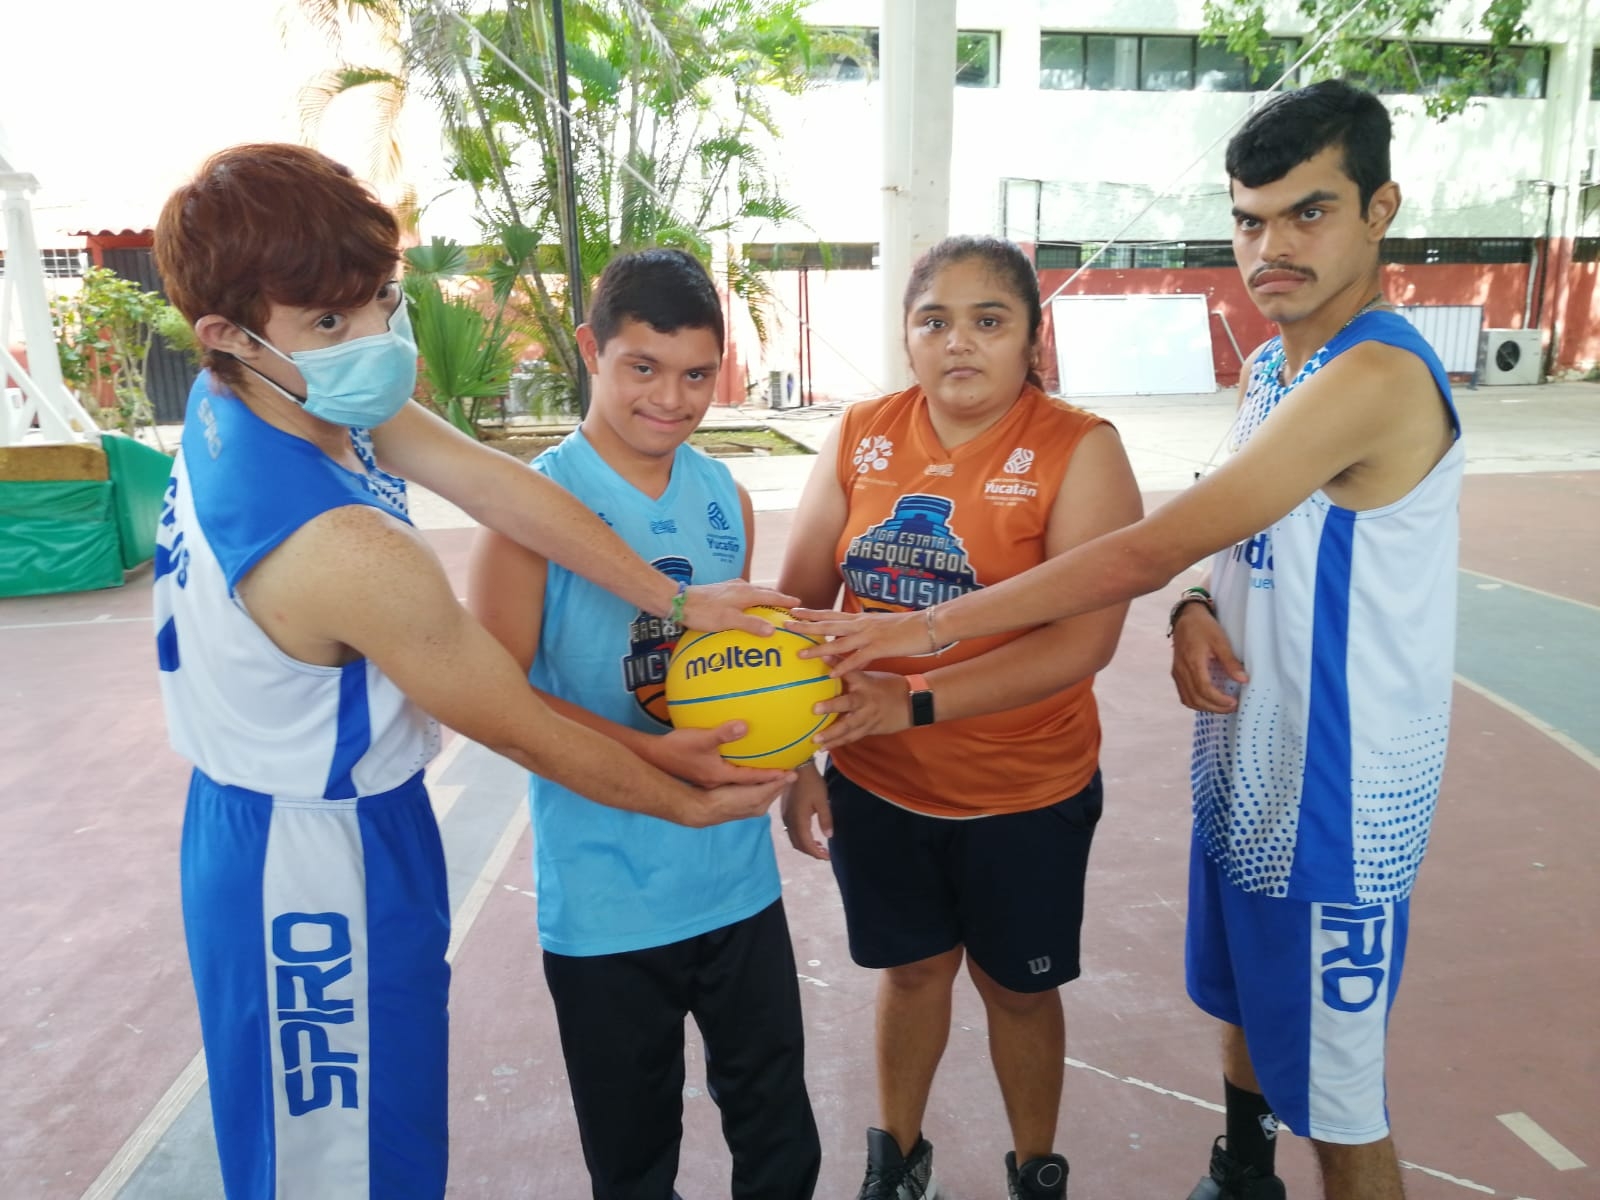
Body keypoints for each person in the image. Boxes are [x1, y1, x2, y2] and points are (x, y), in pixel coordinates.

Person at [789, 82, 1460, 1200]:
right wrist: (1201, 604)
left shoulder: (1374, 375)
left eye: (1309, 213)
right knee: (1244, 1011)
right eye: (1250, 219)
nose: (1271, 246)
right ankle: (1242, 1174)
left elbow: (1129, 560)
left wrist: (925, 633)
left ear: (1380, 208)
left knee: (1342, 1109)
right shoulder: (1271, 370)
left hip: (1340, 797)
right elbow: (1240, 533)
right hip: (1248, 769)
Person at [150, 144, 794, 1200]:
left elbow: (493, 484)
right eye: (328, 322)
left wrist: (677, 601)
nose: (372, 341)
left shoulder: (278, 396)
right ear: (226, 336)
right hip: (304, 860)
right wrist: (681, 803)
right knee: (337, 1168)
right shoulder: (340, 547)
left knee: (388, 1144)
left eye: (380, 301)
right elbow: (512, 721)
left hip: (334, 813)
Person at [776, 235, 1144, 1200]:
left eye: (990, 320)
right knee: (910, 976)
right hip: (880, 784)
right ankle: (895, 1162)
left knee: (1020, 991)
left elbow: (1081, 645)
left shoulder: (1081, 448)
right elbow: (800, 607)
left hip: (1022, 790)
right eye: (935, 320)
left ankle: (1035, 1171)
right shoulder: (861, 432)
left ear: (1033, 336)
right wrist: (797, 757)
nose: (960, 343)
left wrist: (914, 696)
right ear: (906, 335)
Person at [466, 248, 821, 1199]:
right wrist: (651, 754)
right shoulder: (530, 507)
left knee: (780, 1139)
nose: (671, 398)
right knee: (633, 1163)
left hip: (736, 883)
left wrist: (805, 766)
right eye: (643, 368)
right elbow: (492, 694)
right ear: (591, 349)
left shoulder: (724, 497)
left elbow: (753, 667)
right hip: (606, 897)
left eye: (697, 374)